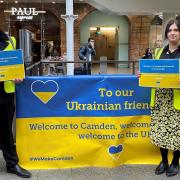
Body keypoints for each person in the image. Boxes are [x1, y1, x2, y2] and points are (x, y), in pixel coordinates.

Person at [149, 19, 180, 177]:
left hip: (176, 100)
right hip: (160, 98)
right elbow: (151, 72)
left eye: (176, 30)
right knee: (161, 131)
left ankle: (175, 162)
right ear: (166, 34)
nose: (172, 33)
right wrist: (143, 75)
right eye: (170, 30)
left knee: (176, 132)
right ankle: (164, 161)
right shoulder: (158, 53)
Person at [0, 30, 31, 178]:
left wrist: (20, 75)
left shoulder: (10, 40)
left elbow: (19, 65)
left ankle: (12, 164)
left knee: (6, 131)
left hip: (4, 94)